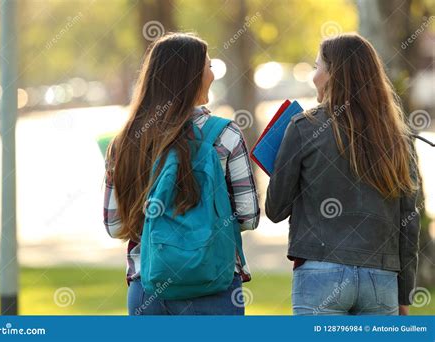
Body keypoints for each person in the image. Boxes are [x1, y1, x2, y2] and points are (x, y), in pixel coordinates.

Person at [103, 32, 260, 315]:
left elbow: (114, 226)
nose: (213, 74)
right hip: (213, 285)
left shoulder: (125, 143)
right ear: (194, 76)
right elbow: (248, 216)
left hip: (148, 289)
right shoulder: (225, 135)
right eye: (209, 66)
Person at [265, 33, 421, 316]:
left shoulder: (302, 127)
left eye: (316, 67)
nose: (313, 77)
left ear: (332, 74)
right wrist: (404, 293)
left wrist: (282, 166)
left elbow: (275, 210)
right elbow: (409, 223)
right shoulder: (398, 137)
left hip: (319, 274)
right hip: (381, 278)